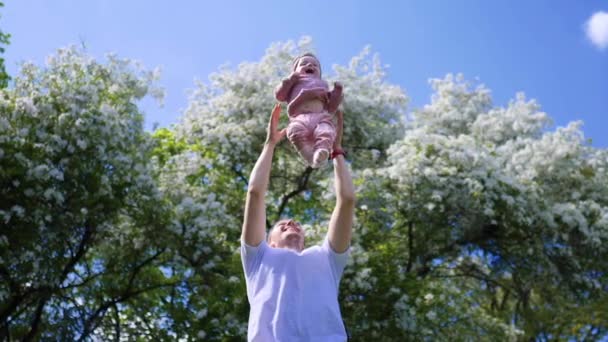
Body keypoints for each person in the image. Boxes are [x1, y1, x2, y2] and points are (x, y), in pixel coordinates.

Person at [241, 103, 355, 341]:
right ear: (269, 242)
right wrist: (269, 144)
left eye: (296, 224)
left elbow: (346, 200)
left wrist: (336, 151)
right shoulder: (258, 258)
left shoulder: (327, 259)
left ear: (304, 240)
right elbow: (254, 192)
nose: (292, 221)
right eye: (281, 224)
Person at [274, 53, 343, 168]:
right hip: (300, 117)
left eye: (315, 65)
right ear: (294, 71)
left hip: (320, 118)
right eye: (304, 63)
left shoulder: (323, 84)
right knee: (294, 131)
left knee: (326, 131)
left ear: (319, 73)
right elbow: (280, 96)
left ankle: (321, 150)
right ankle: (310, 156)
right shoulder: (293, 83)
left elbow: (331, 107)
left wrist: (337, 92)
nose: (310, 65)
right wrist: (289, 81)